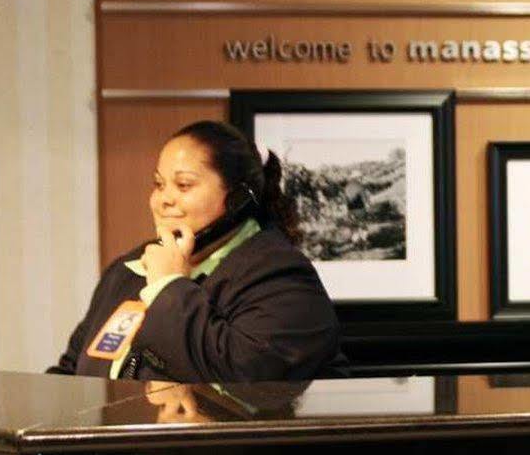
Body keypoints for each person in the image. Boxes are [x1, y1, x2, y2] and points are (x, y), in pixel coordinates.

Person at [49, 120, 347, 382]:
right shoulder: (128, 270)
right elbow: (72, 372)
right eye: (159, 184)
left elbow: (242, 376)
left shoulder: (279, 275)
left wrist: (168, 288)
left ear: (238, 198)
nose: (163, 199)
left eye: (183, 185)